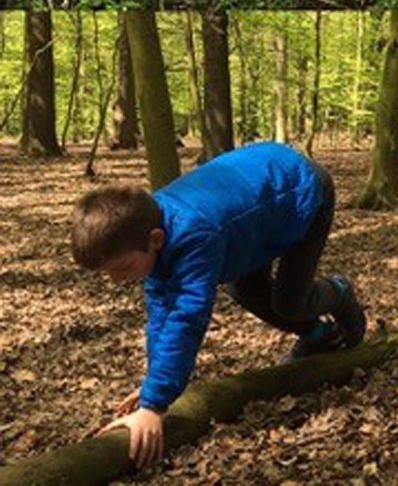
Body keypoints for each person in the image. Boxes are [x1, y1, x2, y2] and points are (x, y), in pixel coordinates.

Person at [71, 142, 365, 469]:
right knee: (244, 291)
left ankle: (339, 292)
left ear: (155, 239)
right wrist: (152, 387)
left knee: (290, 302)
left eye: (122, 268)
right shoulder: (149, 229)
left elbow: (186, 318)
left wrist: (154, 406)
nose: (115, 280)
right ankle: (319, 335)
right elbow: (161, 314)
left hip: (301, 191)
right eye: (107, 273)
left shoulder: (194, 235)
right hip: (254, 213)